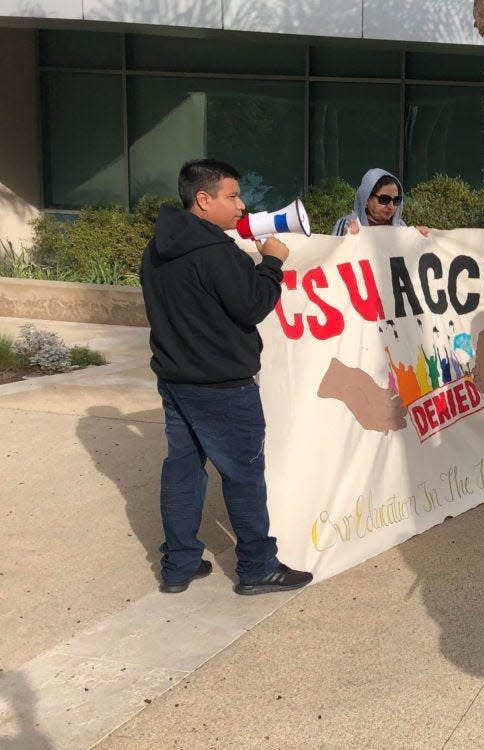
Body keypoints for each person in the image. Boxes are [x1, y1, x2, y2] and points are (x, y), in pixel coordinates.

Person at [140, 158, 313, 596]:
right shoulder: (215, 252)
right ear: (203, 199)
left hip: (177, 381)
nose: (241, 205)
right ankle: (257, 567)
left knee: (182, 471)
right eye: (232, 196)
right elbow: (253, 305)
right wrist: (271, 263)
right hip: (223, 386)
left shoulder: (156, 249)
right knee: (244, 475)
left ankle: (178, 566)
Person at [332, 168, 429, 237]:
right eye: (384, 199)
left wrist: (419, 240)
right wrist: (347, 239)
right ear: (367, 199)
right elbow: (333, 260)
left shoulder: (401, 227)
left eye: (396, 200)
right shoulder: (347, 224)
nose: (391, 207)